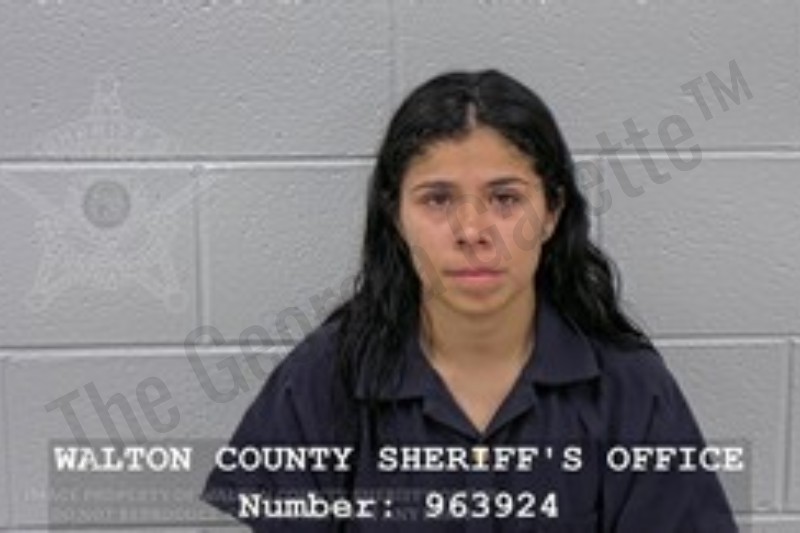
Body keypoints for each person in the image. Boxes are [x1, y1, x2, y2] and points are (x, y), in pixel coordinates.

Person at [201, 69, 739, 532]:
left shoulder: (630, 388)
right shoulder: (325, 379)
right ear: (395, 216)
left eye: (505, 199)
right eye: (438, 199)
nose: (472, 230)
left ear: (551, 212)